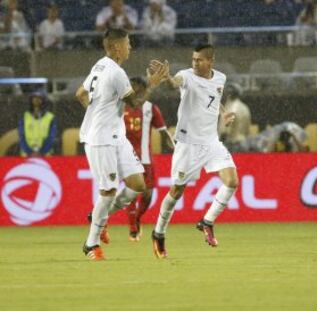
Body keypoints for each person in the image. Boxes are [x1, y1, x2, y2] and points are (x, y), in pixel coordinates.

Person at [75, 28, 168, 261]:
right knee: (108, 191)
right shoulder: (116, 72)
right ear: (117, 47)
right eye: (127, 44)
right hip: (101, 139)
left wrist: (96, 111)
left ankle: (101, 218)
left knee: (138, 184)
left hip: (117, 136)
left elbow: (80, 94)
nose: (130, 48)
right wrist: (153, 83)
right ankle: (91, 245)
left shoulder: (99, 65)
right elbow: (135, 102)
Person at [150, 44, 239, 259]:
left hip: (210, 142)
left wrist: (224, 114)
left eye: (199, 60)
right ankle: (159, 232)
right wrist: (168, 78)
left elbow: (214, 98)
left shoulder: (220, 78)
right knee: (176, 191)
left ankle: (207, 221)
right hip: (188, 143)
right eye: (193, 59)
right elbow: (174, 83)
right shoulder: (186, 76)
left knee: (232, 181)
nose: (195, 63)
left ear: (211, 61)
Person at [123, 76, 174, 241]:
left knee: (147, 195)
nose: (132, 89)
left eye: (135, 86)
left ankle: (137, 217)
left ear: (142, 88)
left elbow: (162, 130)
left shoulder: (150, 108)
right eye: (130, 86)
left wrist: (170, 142)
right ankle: (132, 226)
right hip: (126, 156)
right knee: (131, 191)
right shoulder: (120, 107)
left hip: (145, 158)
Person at [18, 92, 57, 157]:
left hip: (45, 155)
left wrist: (42, 152)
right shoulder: (24, 116)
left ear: (43, 100)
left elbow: (51, 137)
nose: (36, 100)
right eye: (34, 97)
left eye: (39, 98)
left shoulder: (51, 118)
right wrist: (29, 152)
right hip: (27, 155)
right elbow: (21, 136)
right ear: (31, 100)